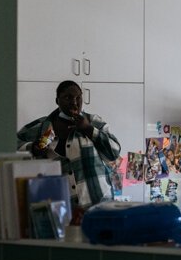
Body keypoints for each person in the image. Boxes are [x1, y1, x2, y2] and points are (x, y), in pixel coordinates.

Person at [17, 81, 123, 213]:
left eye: (78, 97)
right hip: (60, 209)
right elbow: (12, 144)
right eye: (68, 97)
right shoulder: (42, 127)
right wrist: (32, 148)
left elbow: (114, 152)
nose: (74, 102)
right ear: (57, 100)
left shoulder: (92, 121)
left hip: (98, 206)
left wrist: (89, 129)